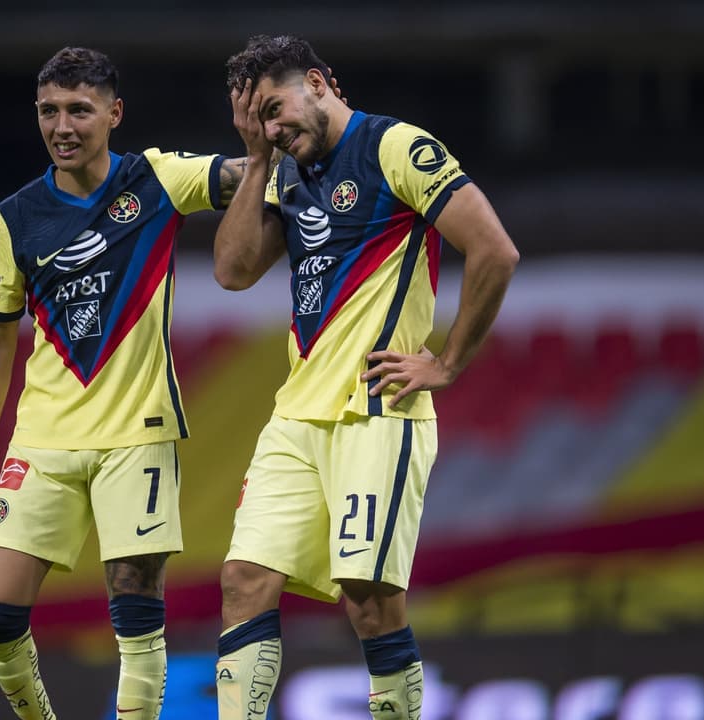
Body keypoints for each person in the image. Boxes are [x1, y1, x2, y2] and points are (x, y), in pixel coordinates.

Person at [211, 35, 520, 720]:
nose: (271, 128)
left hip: (376, 411)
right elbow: (232, 271)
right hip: (296, 414)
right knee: (243, 580)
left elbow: (494, 250)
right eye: (257, 120)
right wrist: (258, 159)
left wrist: (447, 362)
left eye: (275, 109)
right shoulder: (285, 171)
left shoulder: (395, 147)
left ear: (319, 83)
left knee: (369, 601)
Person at [0, 46, 250, 720]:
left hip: (137, 435)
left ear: (114, 113)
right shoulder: (14, 217)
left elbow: (241, 177)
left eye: (79, 111)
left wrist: (266, 147)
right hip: (44, 438)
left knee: (136, 615)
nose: (62, 126)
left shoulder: (156, 179)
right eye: (49, 111)